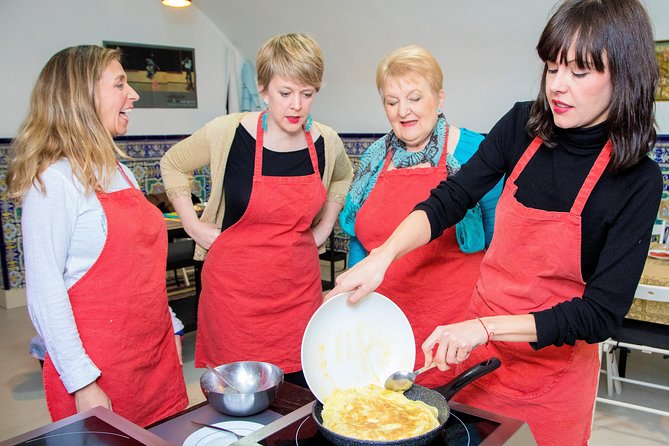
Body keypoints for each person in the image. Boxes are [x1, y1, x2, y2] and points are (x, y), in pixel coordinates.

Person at [326, 0, 662, 444]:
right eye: (552, 67)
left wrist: (485, 327)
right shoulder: (522, 125)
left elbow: (600, 315)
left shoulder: (636, 179)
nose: (558, 86)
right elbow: (452, 197)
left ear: (624, 74)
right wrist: (383, 257)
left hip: (551, 379)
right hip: (477, 358)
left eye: (579, 72)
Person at [7, 45, 188, 426]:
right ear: (81, 96)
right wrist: (81, 381)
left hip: (155, 359)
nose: (133, 94)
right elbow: (45, 292)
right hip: (98, 371)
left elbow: (142, 268)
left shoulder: (122, 174)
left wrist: (170, 323)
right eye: (120, 84)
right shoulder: (53, 183)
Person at [160, 33, 354, 387]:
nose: (296, 105)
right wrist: (191, 224)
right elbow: (173, 163)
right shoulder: (226, 134)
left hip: (298, 294)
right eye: (285, 93)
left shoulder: (326, 141)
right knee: (239, 407)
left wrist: (325, 225)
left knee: (300, 398)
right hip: (234, 299)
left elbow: (344, 176)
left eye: (307, 94)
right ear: (263, 89)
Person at [339, 45, 502, 387]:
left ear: (439, 98)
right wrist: (350, 308)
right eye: (392, 101)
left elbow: (499, 247)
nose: (403, 111)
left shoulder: (474, 153)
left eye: (414, 97)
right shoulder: (373, 159)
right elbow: (359, 240)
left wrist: (485, 326)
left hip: (452, 335)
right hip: (383, 331)